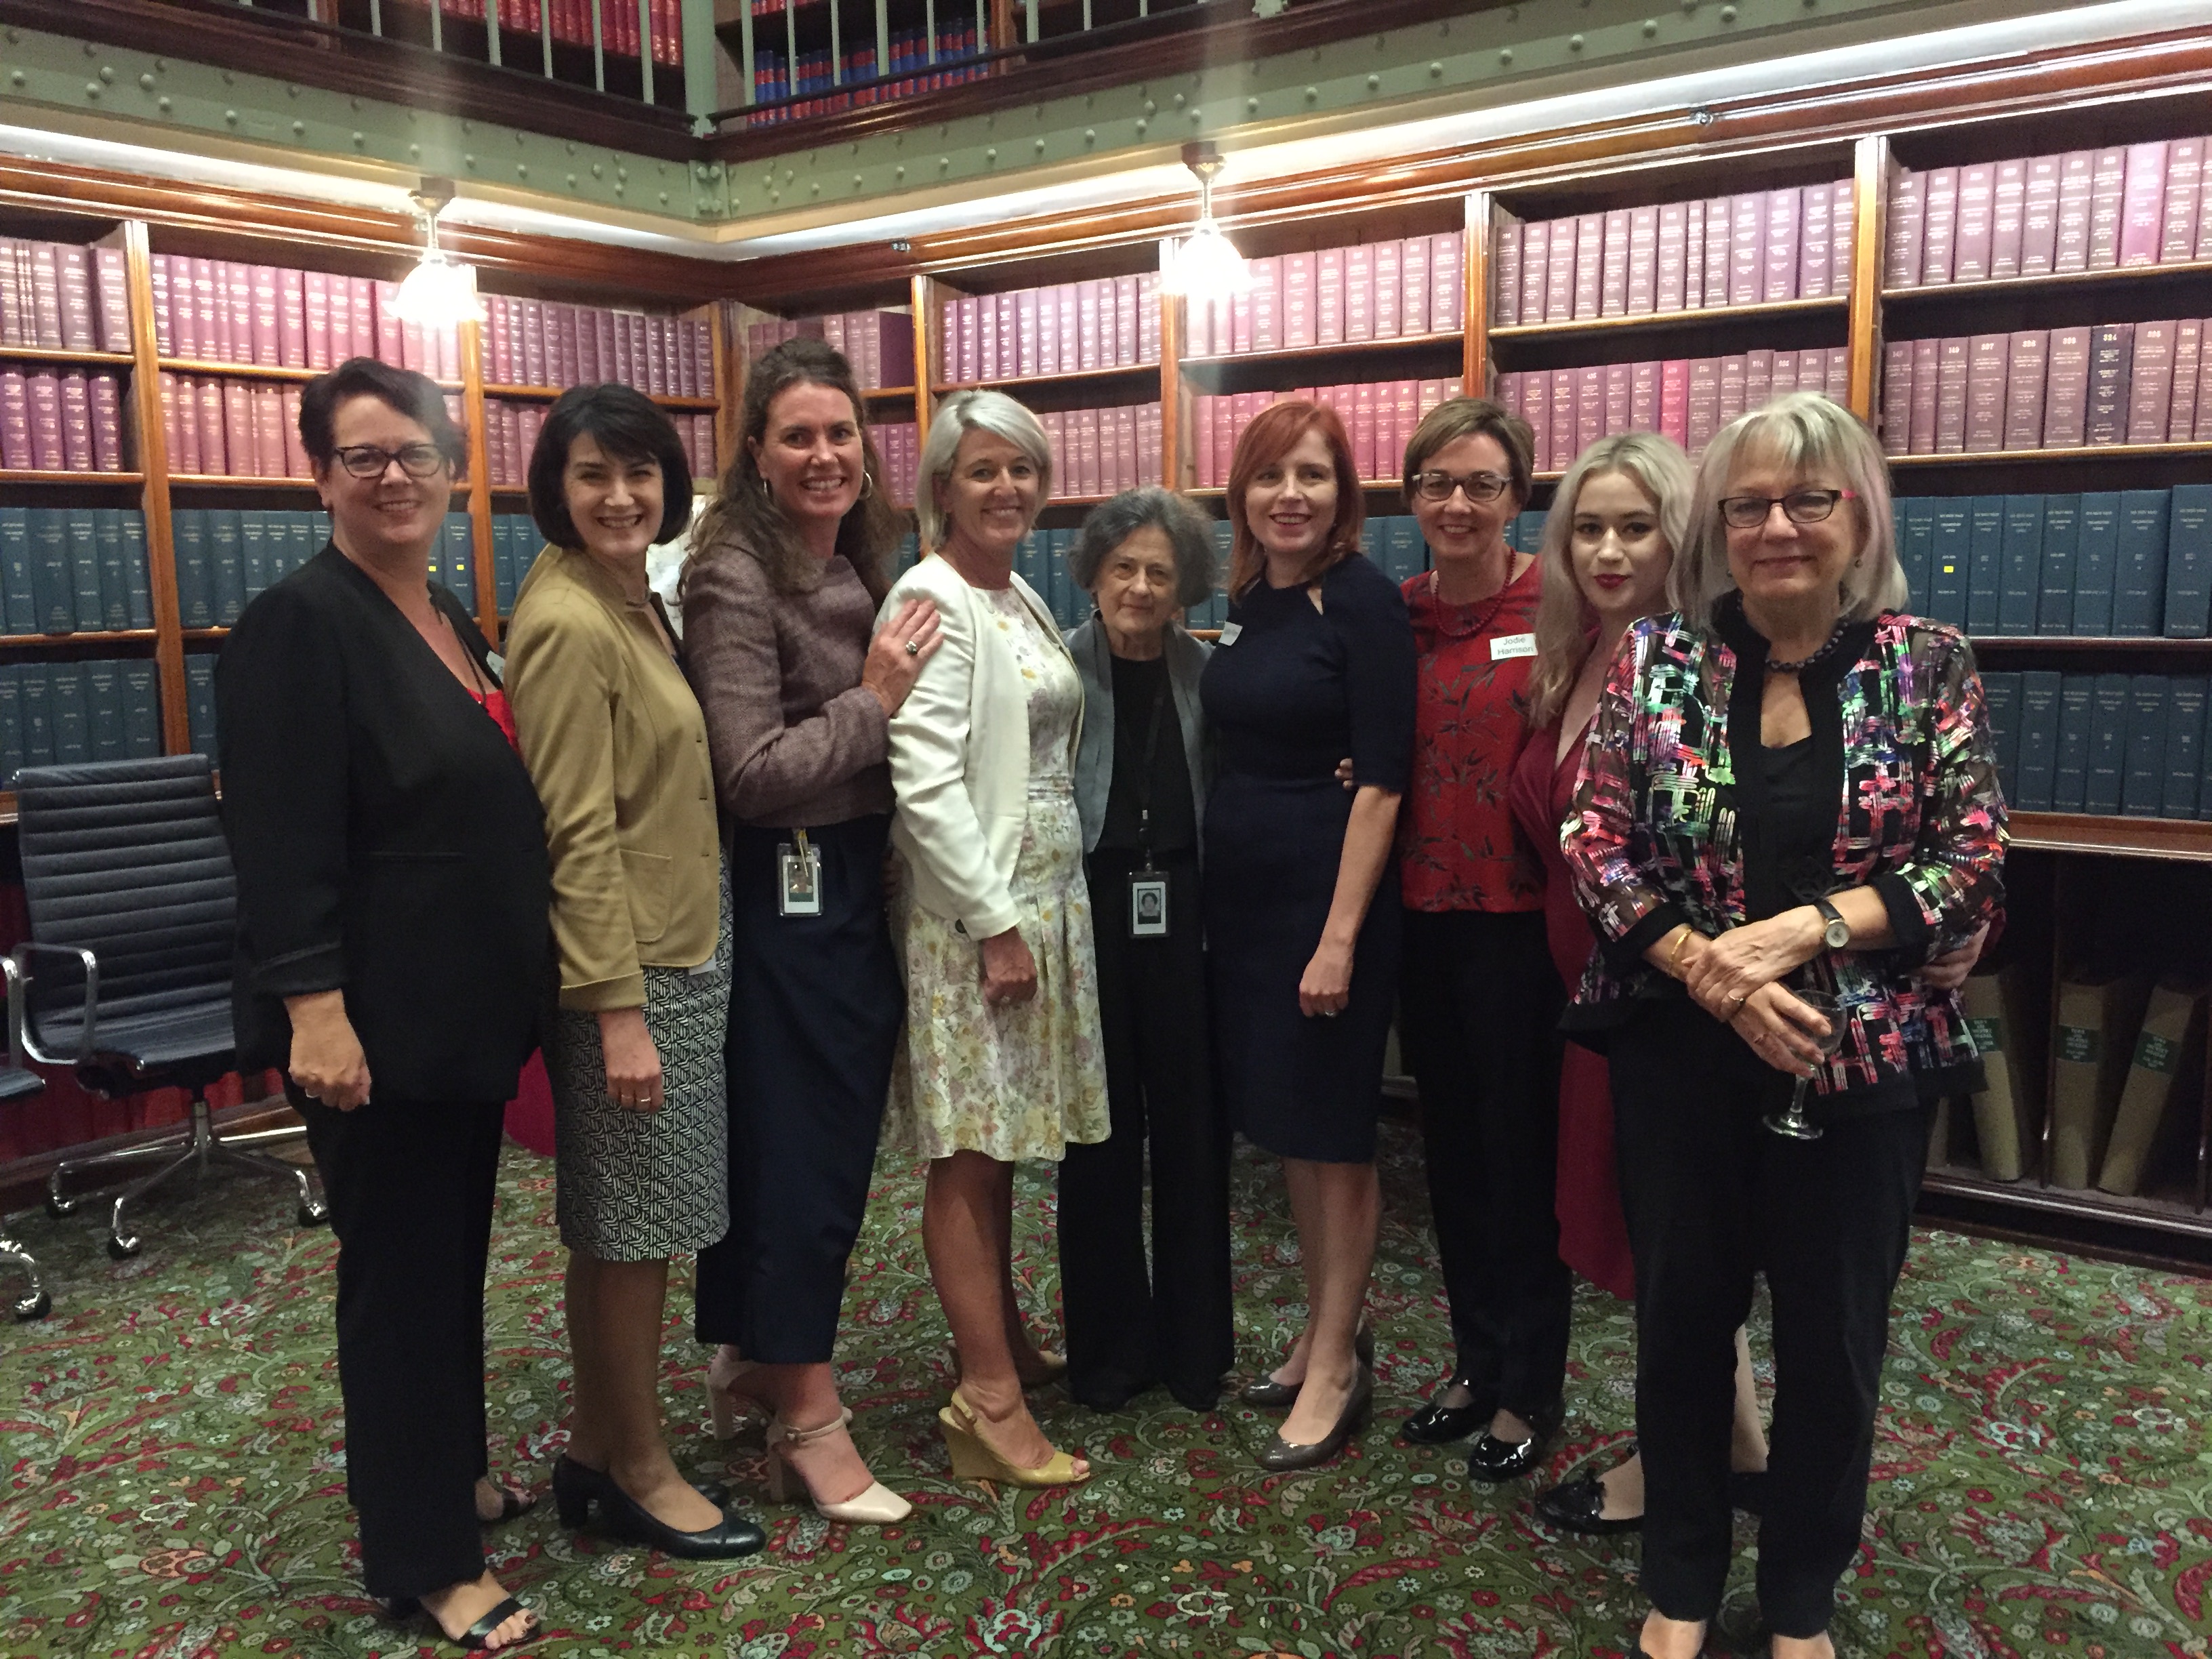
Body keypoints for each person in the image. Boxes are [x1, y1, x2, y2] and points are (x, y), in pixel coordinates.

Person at [1563, 392, 2007, 1659]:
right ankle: (1684, 1581)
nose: (1776, 527)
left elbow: (1973, 859)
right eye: (1748, 503)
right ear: (1717, 524)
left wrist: (1810, 931)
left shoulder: (1930, 665)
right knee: (1683, 1326)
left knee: (1834, 1342)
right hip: (1682, 1056)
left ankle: (1802, 1594)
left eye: (1807, 500)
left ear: (1854, 516)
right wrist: (1711, 973)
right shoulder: (1656, 660)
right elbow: (1595, 843)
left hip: (1861, 1062)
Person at [218, 359, 550, 1653]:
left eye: (416, 453)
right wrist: (314, 1010)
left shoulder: (451, 614)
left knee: (447, 1267)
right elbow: (282, 836)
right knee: (400, 1287)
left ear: (450, 464)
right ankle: (426, 1560)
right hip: (374, 1030)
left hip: (460, 1019)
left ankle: (448, 1475)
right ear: (321, 477)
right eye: (364, 457)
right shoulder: (302, 623)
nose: (396, 476)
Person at [502, 384, 764, 1561]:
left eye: (641, 475)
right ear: (554, 488)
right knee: (632, 1227)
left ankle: (602, 1444)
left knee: (630, 1226)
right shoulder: (564, 621)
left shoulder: (630, 599)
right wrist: (617, 1015)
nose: (621, 497)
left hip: (677, 945)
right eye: (594, 475)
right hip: (635, 971)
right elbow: (575, 833)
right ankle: (641, 1470)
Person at [682, 338, 937, 1524]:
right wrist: (873, 704)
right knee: (809, 1160)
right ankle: (810, 1422)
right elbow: (750, 771)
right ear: (756, 454)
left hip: (851, 880)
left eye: (841, 433)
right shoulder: (736, 571)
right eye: (798, 436)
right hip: (789, 887)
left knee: (796, 1142)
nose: (825, 454)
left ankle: (747, 1356)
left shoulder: (864, 552)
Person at [1512, 434, 1771, 1534]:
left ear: (1685, 536)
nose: (1610, 550)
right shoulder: (1576, 655)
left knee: (1676, 1242)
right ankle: (1740, 1443)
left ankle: (1681, 1468)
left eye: (1636, 526)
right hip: (1594, 1001)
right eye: (1587, 527)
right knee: (1656, 1239)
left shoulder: (1702, 666)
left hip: (1665, 1000)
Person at [882, 388, 1107, 1488]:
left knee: (1003, 1139)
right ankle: (988, 1400)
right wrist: (995, 925)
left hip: (1041, 900)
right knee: (967, 1152)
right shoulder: (929, 595)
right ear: (940, 488)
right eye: (981, 470)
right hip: (978, 917)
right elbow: (922, 782)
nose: (1006, 487)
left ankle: (1002, 1338)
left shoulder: (1011, 588)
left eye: (1021, 468)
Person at [1205, 398, 1416, 1471]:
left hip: (1326, 908)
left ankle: (1337, 1359)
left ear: (1346, 495)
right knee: (1291, 1126)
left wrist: (1337, 940)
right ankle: (1324, 1321)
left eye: (1315, 475)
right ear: (1241, 491)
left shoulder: (1365, 605)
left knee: (1334, 1133)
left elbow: (1382, 781)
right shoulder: (1248, 599)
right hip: (1245, 908)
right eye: (1271, 475)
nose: (1292, 494)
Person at [1386, 396, 1573, 1485]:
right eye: (1437, 485)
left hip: (1522, 928)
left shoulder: (1558, 603)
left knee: (1523, 1164)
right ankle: (1475, 1360)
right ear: (1411, 497)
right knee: (1447, 1151)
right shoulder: (1395, 612)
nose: (1457, 504)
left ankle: (1532, 1386)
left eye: (1483, 486)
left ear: (1519, 497)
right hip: (1421, 918)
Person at [1059, 486, 1233, 1413]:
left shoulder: (1207, 677)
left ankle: (1196, 1349)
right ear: (1091, 573)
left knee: (1193, 1133)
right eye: (1122, 567)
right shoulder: (1057, 671)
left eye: (1159, 573)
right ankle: (1109, 1354)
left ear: (1186, 589)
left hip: (1185, 914)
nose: (1139, 586)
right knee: (1100, 1136)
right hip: (1089, 916)